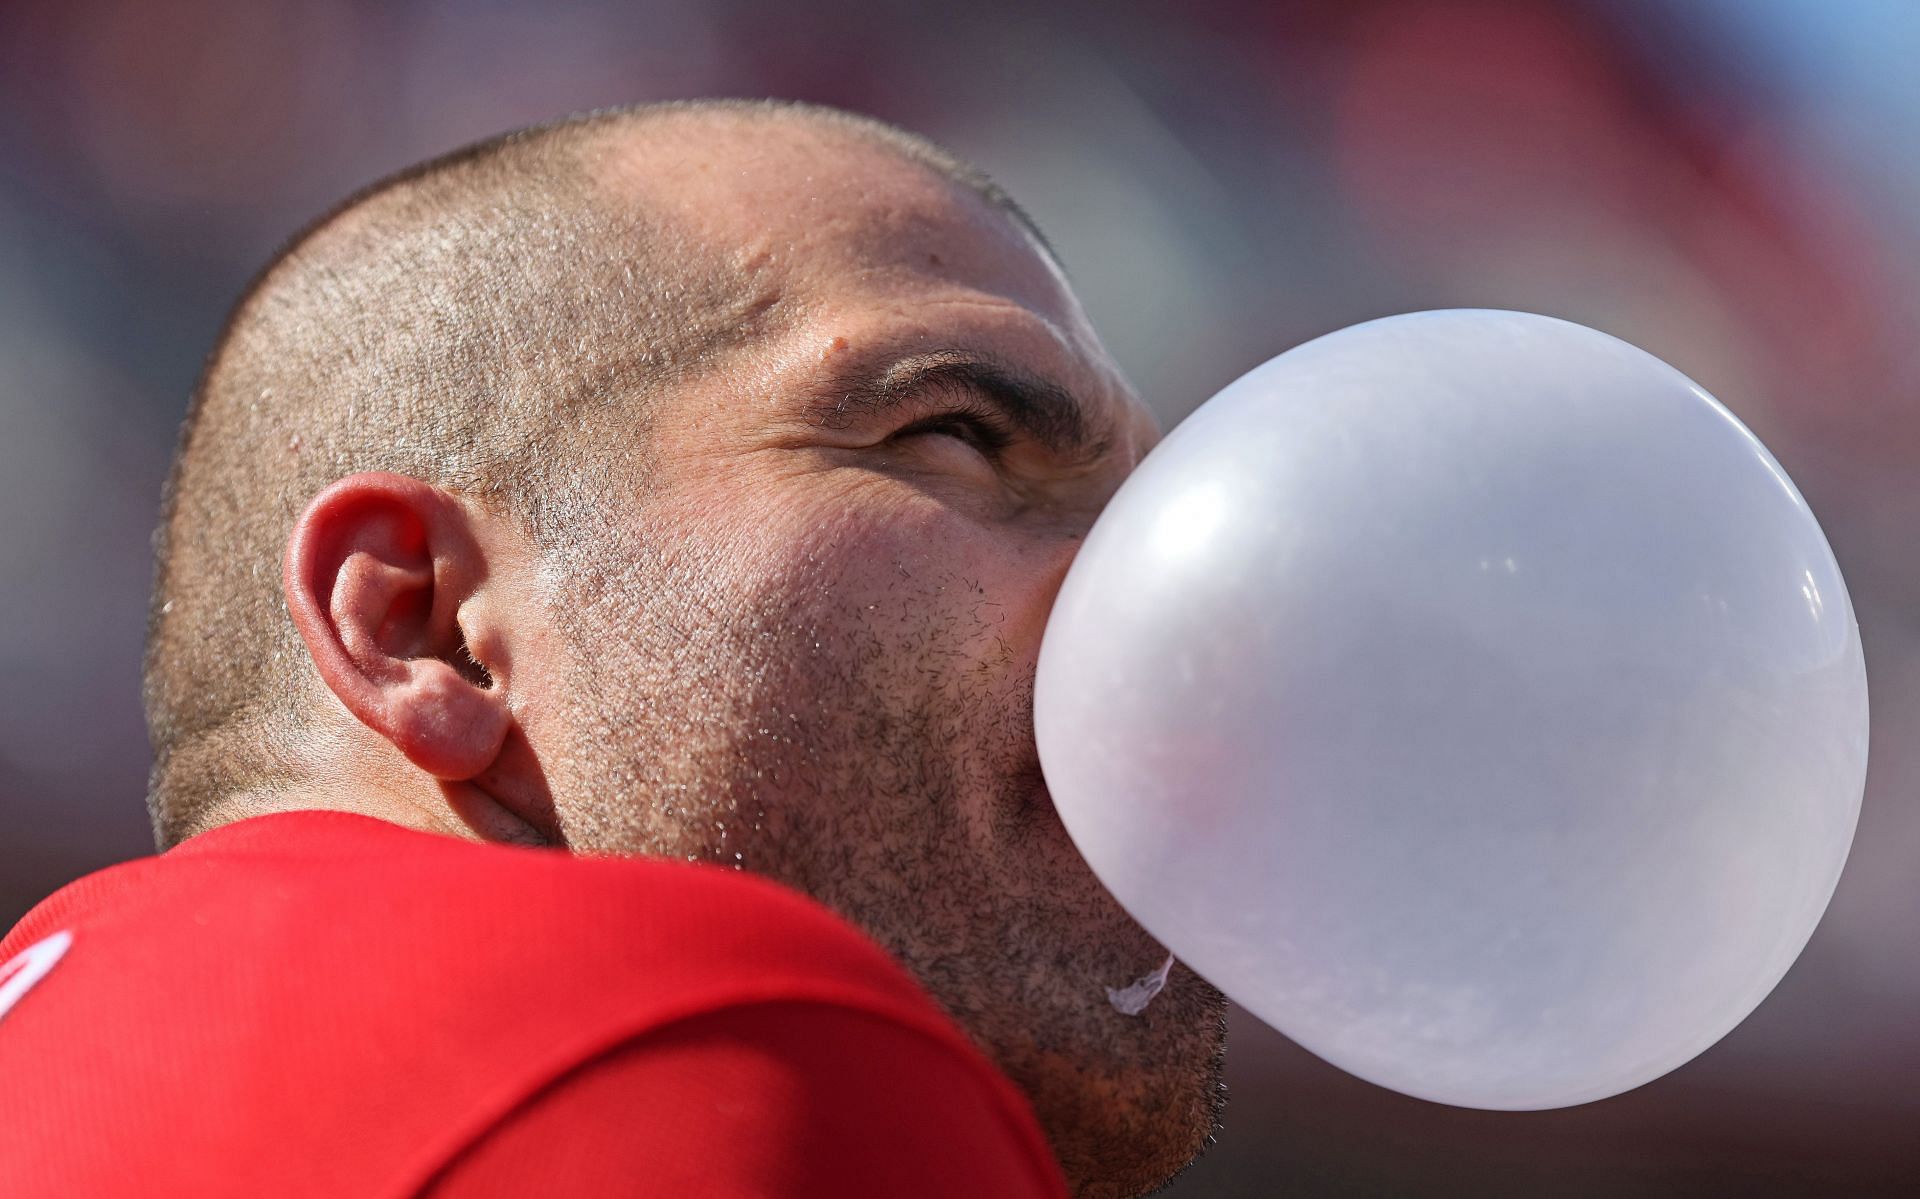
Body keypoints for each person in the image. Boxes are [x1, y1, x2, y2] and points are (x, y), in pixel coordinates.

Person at [0, 100, 1227, 1197]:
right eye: (960, 433)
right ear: (424, 627)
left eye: (1150, 507)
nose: (1155, 590)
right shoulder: (700, 1035)